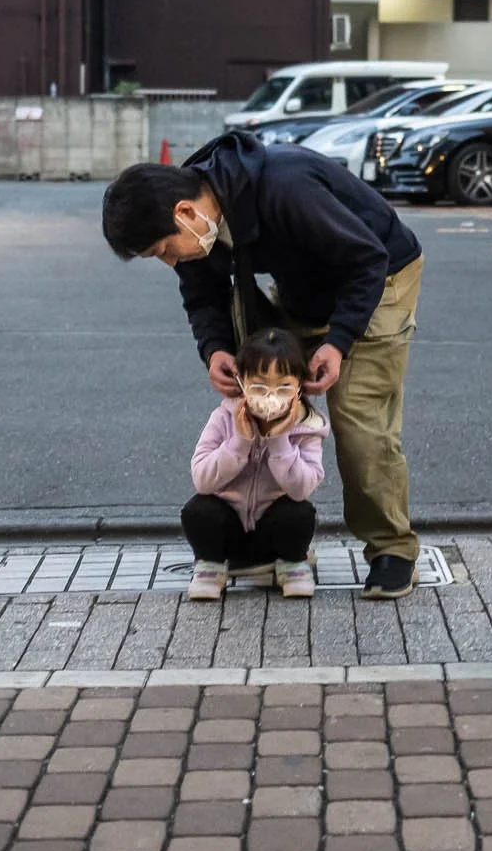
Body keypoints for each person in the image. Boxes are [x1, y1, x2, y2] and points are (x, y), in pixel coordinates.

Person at [103, 132, 425, 600]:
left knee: (358, 415)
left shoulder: (286, 188)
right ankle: (276, 539)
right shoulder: (199, 226)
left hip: (378, 276)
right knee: (261, 395)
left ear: (184, 212)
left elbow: (366, 259)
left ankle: (391, 548)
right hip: (306, 284)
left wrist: (337, 341)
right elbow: (202, 295)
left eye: (164, 250)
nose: (170, 261)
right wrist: (216, 349)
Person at [182, 328, 327, 601]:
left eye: (283, 386)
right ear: (242, 382)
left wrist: (279, 439)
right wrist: (239, 442)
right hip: (229, 534)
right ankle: (210, 566)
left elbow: (302, 489)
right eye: (259, 386)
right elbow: (202, 479)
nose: (271, 396)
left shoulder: (308, 426)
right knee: (198, 511)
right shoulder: (223, 417)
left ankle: (291, 564)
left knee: (299, 513)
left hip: (273, 534)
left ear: (299, 386)